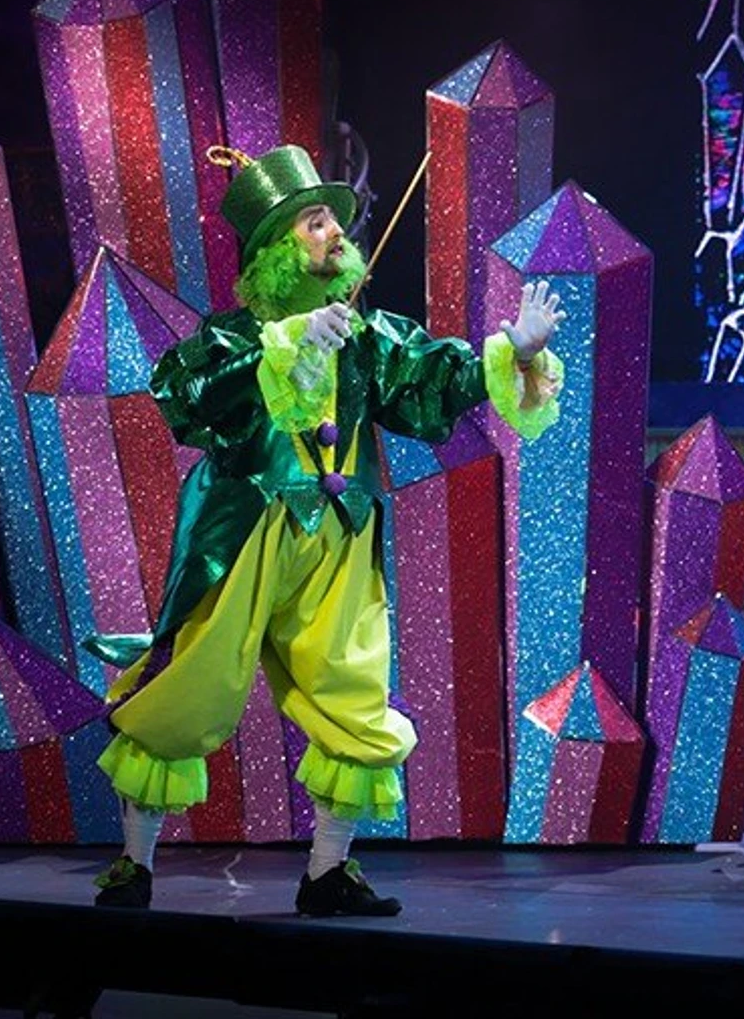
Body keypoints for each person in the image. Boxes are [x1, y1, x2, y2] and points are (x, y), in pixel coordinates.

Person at [84, 143, 564, 916]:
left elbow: (428, 379)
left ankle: (328, 872)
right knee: (189, 692)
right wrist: (289, 345)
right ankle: (133, 866)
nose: (336, 232)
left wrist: (511, 355)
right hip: (245, 533)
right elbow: (187, 395)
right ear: (277, 250)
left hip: (340, 533)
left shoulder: (366, 336)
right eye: (315, 222)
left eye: (334, 222)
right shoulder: (238, 337)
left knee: (354, 696)